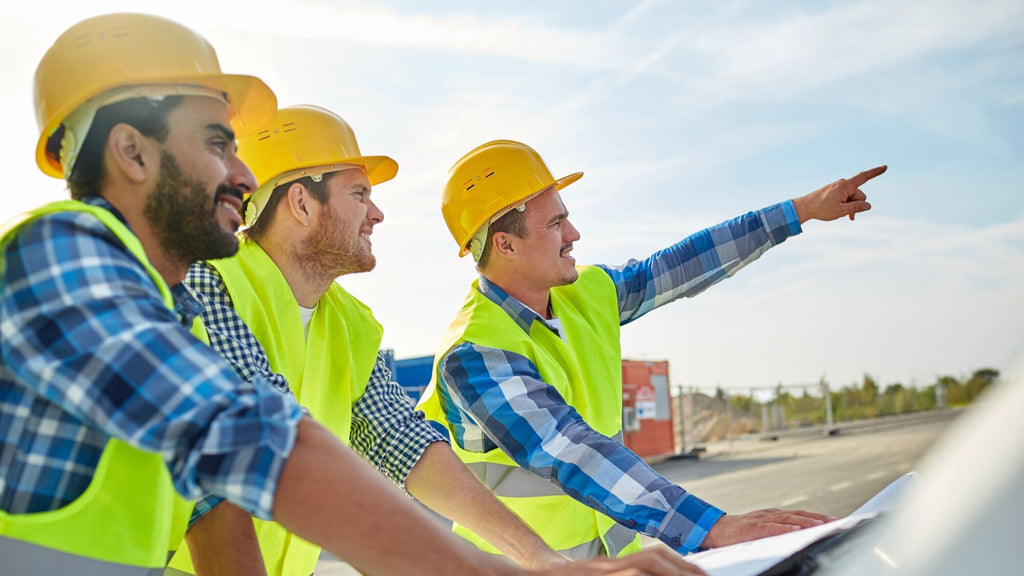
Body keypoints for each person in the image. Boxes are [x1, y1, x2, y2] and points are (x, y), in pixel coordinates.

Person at [0, 15, 702, 576]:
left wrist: (536, 559)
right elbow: (243, 438)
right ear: (132, 152)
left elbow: (398, 446)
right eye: (218, 141)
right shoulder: (61, 257)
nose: (242, 173)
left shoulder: (303, 319)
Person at [169, 104, 623, 575]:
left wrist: (539, 559)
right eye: (360, 194)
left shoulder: (349, 323)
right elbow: (270, 451)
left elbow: (405, 444)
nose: (378, 214)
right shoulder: (208, 283)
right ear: (302, 204)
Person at [419, 139, 885, 559]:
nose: (574, 234)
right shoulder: (476, 354)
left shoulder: (586, 294)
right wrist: (712, 528)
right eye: (556, 223)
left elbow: (681, 265)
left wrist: (800, 210)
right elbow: (570, 450)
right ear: (506, 244)